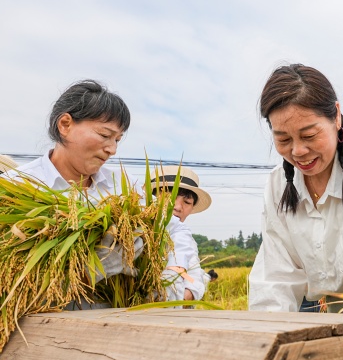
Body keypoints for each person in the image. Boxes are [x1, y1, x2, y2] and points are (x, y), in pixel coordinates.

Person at [248, 64, 343, 313]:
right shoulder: (278, 184)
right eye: (283, 140)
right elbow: (275, 277)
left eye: (309, 135)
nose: (298, 151)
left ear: (336, 116)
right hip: (318, 307)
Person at [9, 80, 139, 289]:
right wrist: (91, 271)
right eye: (105, 135)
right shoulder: (16, 186)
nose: (112, 149)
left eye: (117, 139)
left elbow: (173, 230)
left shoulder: (125, 186)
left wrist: (179, 274)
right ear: (65, 125)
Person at [151, 165, 213, 303]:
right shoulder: (134, 230)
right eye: (169, 196)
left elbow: (193, 279)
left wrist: (185, 294)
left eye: (187, 202)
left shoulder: (186, 243)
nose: (178, 207)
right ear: (153, 197)